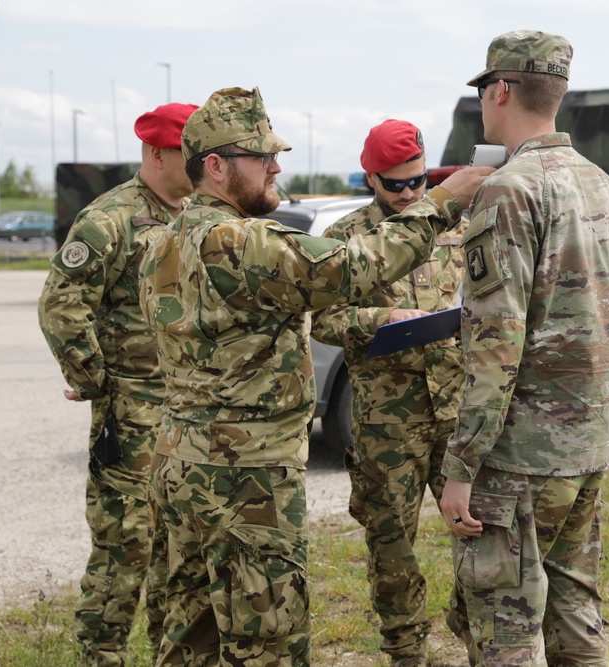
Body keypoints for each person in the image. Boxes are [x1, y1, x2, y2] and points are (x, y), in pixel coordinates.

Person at [139, 86, 491, 667]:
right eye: (262, 157)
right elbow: (350, 270)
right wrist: (442, 200)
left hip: (182, 465)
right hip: (244, 477)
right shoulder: (240, 241)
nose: (278, 167)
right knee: (267, 642)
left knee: (188, 637)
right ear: (218, 166)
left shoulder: (163, 240)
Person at [438, 30, 609, 666]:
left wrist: (461, 465)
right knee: (575, 608)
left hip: (520, 456)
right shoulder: (598, 182)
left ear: (499, 91)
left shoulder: (509, 189)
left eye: (484, 93)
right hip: (587, 442)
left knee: (506, 628)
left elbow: (497, 345)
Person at [37, 101, 199, 666]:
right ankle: (99, 656)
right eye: (190, 150)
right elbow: (62, 306)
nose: (203, 160)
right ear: (157, 153)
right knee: (124, 549)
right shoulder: (109, 218)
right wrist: (95, 381)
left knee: (181, 557)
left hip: (194, 416)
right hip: (132, 416)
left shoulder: (202, 214)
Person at [311, 119, 467, 667]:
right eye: (396, 184)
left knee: (479, 533)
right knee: (392, 547)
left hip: (456, 412)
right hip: (386, 423)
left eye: (418, 182)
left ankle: (472, 627)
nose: (409, 194)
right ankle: (406, 651)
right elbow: (319, 318)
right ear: (371, 178)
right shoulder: (346, 238)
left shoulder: (456, 225)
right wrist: (382, 317)